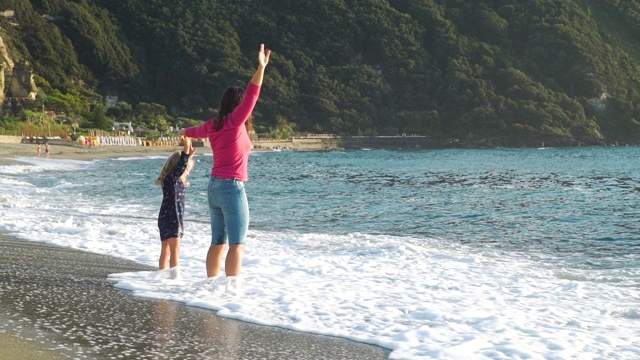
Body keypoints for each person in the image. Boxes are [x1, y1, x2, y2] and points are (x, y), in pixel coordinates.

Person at [179, 43, 271, 278]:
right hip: (231, 187)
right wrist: (261, 67)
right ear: (237, 106)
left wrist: (186, 144)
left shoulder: (212, 125)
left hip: (214, 187)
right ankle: (231, 292)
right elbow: (253, 94)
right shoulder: (234, 122)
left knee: (217, 242)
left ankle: (212, 288)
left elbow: (187, 131)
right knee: (237, 244)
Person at [155, 135, 197, 271]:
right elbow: (182, 164)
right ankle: (174, 279)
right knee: (175, 252)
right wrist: (186, 146)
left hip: (164, 217)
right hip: (174, 218)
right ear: (178, 168)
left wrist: (189, 154)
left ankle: (161, 275)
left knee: (165, 251)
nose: (188, 173)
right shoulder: (174, 178)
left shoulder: (169, 179)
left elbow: (183, 163)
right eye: (187, 170)